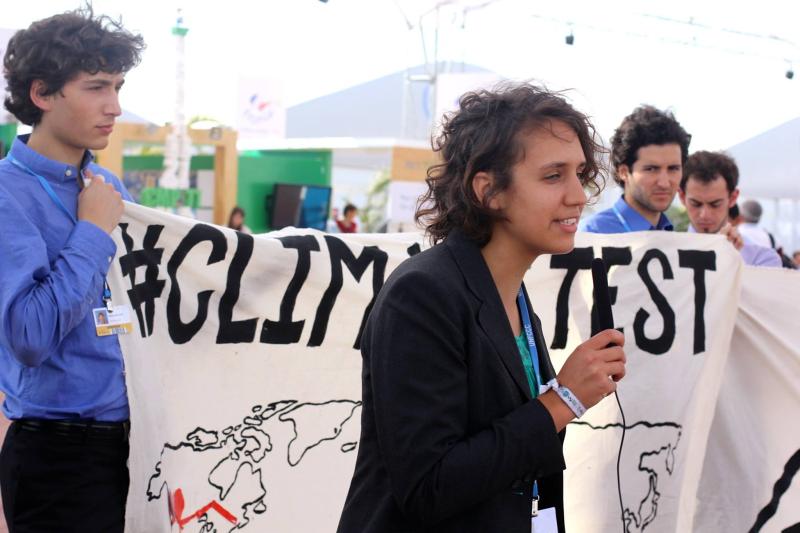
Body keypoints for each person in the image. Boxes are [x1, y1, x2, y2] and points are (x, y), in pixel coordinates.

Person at [337, 83, 626, 533]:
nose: (577, 195)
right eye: (553, 176)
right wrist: (563, 399)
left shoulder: (511, 296)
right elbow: (429, 486)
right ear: (489, 191)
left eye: (580, 173)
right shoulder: (422, 295)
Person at [0, 8, 144, 532]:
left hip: (139, 442)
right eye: (96, 87)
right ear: (42, 94)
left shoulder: (106, 186)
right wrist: (91, 233)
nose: (115, 106)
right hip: (58, 456)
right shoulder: (6, 195)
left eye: (119, 86)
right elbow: (29, 335)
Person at [582, 105, 691, 233]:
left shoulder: (675, 239)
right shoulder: (592, 234)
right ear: (623, 172)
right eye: (651, 169)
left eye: (673, 168)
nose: (664, 183)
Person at [679, 151, 781, 267]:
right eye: (696, 204)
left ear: (733, 198)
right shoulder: (667, 251)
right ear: (682, 197)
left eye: (715, 204)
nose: (704, 214)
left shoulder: (762, 258)